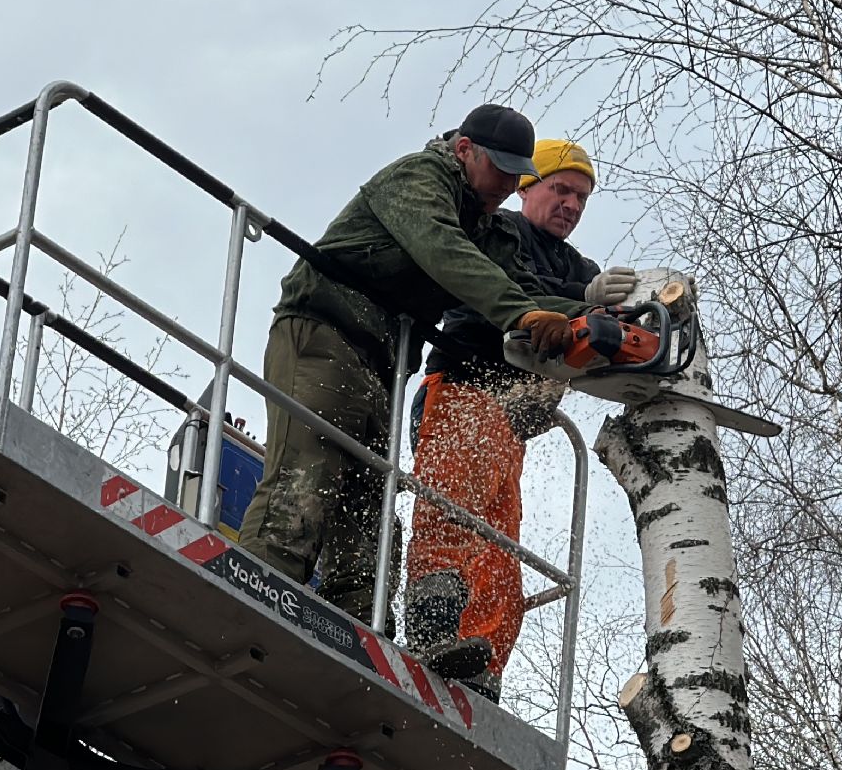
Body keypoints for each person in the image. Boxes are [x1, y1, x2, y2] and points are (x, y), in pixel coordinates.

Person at [236, 105, 591, 620]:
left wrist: (599, 316)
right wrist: (523, 315)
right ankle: (253, 602)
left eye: (517, 173)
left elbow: (521, 287)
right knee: (306, 478)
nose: (508, 183)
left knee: (369, 507)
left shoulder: (484, 223)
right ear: (465, 150)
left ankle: (356, 627)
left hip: (382, 364)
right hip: (323, 332)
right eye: (501, 168)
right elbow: (445, 251)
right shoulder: (418, 179)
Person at [402, 139, 635, 700]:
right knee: (455, 513)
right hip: (461, 390)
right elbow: (508, 291)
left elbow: (592, 327)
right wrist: (583, 298)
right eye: (562, 190)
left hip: (510, 423)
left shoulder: (579, 266)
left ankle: (482, 669)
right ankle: (433, 629)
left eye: (581, 198)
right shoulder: (499, 231)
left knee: (500, 547)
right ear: (528, 187)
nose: (571, 205)